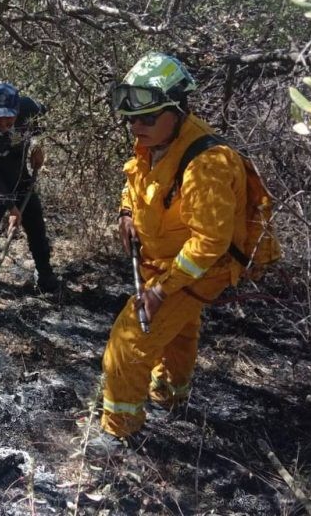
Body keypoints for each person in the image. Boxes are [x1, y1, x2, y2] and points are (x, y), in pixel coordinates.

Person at [97, 52, 249, 445]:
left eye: (147, 117)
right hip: (160, 259)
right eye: (131, 117)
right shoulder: (153, 141)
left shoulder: (207, 164)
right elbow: (137, 183)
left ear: (178, 110)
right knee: (180, 332)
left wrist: (161, 291)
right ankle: (171, 396)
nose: (136, 126)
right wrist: (126, 212)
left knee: (127, 345)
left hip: (195, 271)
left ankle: (117, 434)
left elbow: (211, 242)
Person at [0, 82, 59, 294]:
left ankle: (45, 274)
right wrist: (10, 207)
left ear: (17, 110)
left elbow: (47, 120)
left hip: (19, 179)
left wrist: (38, 145)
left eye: (8, 116)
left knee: (36, 224)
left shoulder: (29, 109)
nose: (3, 121)